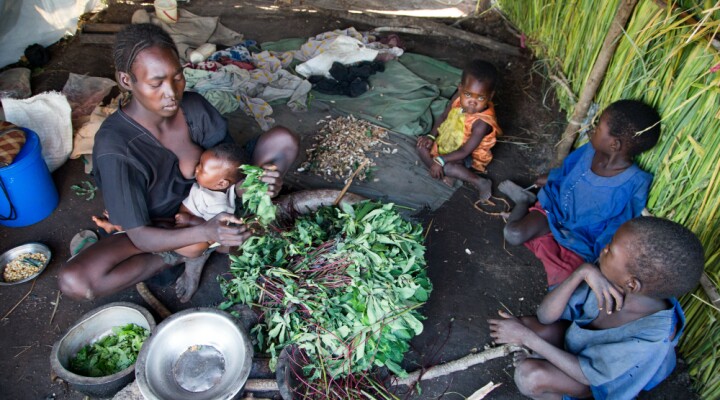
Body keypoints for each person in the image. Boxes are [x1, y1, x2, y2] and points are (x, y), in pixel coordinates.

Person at [58, 23, 299, 303]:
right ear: (126, 80)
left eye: (177, 77)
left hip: (215, 200)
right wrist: (204, 232)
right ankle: (184, 255)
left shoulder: (193, 107)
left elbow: (228, 167)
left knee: (283, 140)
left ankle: (212, 242)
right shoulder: (116, 149)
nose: (171, 92)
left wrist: (256, 185)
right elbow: (141, 237)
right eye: (156, 83)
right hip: (162, 228)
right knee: (76, 281)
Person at [488, 216, 705, 400]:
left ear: (632, 284)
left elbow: (587, 375)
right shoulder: (613, 279)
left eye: (610, 250)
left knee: (529, 376)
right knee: (527, 325)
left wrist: (527, 339)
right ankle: (547, 358)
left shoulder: (651, 337)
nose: (604, 248)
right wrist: (582, 272)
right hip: (578, 347)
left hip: (594, 383)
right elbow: (545, 316)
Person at [499, 100, 660, 286]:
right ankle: (523, 200)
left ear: (614, 144)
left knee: (568, 281)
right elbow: (568, 169)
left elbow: (619, 224)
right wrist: (551, 178)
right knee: (513, 234)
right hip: (553, 211)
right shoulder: (591, 150)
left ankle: (543, 240)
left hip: (579, 241)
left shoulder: (636, 182)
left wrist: (599, 254)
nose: (592, 129)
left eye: (599, 127)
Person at [416, 59, 502, 201]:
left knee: (449, 167)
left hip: (465, 155)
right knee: (421, 146)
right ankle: (440, 171)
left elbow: (464, 152)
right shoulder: (457, 98)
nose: (472, 102)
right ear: (460, 88)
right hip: (447, 140)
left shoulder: (482, 123)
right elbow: (444, 116)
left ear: (490, 96)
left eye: (480, 98)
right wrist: (431, 137)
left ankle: (479, 181)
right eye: (467, 94)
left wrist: (441, 161)